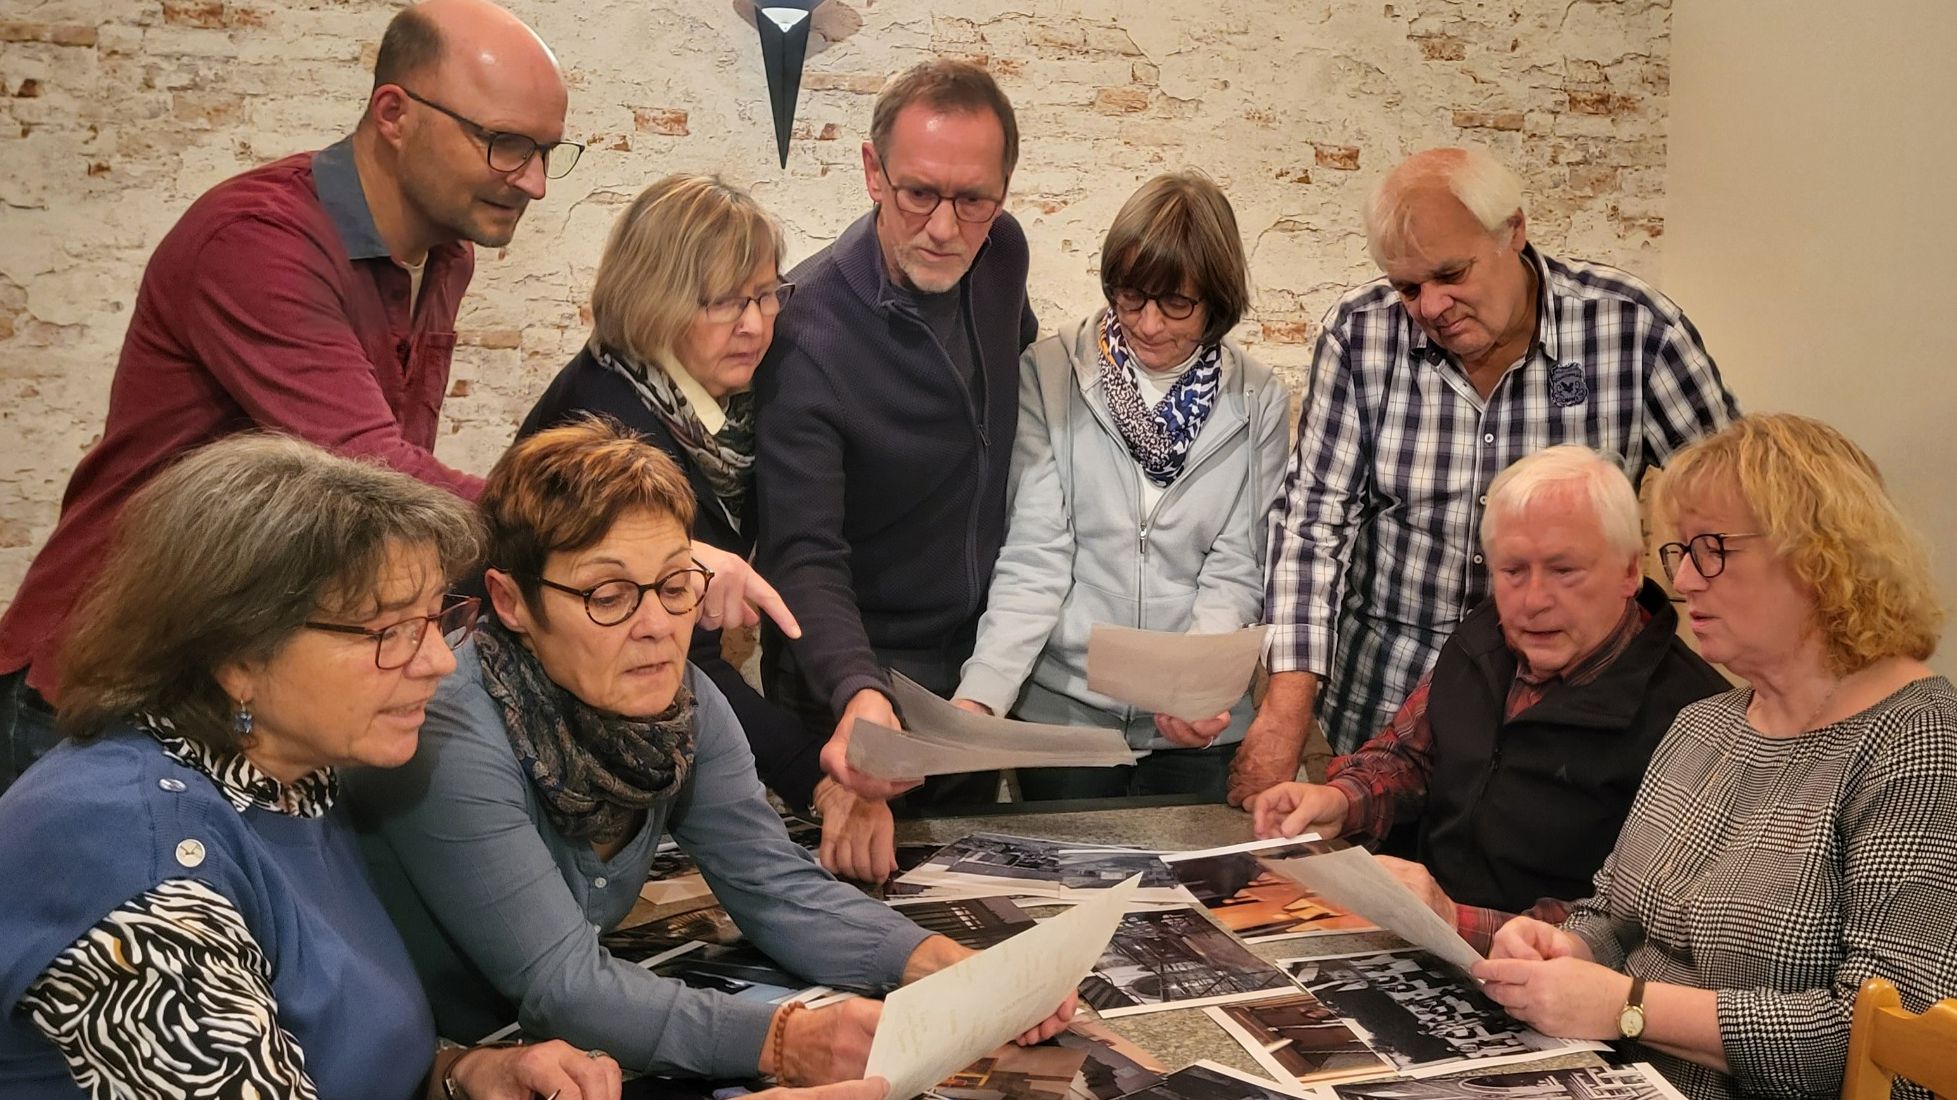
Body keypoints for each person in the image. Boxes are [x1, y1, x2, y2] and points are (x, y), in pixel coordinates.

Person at [347, 420, 1073, 1081]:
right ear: (510, 603)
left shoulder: (683, 700)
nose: (657, 625)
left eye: (673, 584)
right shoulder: (445, 730)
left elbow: (774, 886)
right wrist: (788, 1040)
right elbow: (562, 984)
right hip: (428, 1067)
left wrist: (941, 965)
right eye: (608, 595)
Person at [0, 0, 572, 787]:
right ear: (395, 113)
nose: (534, 182)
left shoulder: (445, 254)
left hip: (252, 676)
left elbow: (382, 505)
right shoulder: (255, 239)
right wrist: (589, 528)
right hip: (113, 679)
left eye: (545, 151)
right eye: (505, 143)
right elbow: (370, 469)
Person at [0, 435, 621, 1100]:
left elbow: (326, 1050)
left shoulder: (289, 780)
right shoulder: (131, 861)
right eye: (388, 632)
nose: (439, 662)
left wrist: (460, 1073)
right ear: (237, 652)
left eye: (434, 620)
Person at [1231, 145, 1740, 804]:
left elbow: (1732, 508)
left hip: (1573, 727)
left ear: (1514, 232)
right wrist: (1282, 712)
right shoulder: (1358, 335)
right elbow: (1312, 527)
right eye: (1407, 287)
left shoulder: (1634, 328)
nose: (1430, 306)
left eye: (1450, 274)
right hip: (1387, 714)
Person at [1473, 414, 1957, 1100]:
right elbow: (1613, 911)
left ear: (1818, 556)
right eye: (1678, 553)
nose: (1685, 582)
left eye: (1710, 549)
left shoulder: (1918, 744)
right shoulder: (1706, 723)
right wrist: (1566, 949)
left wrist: (1623, 1004)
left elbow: (1896, 1049)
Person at [516, 175, 884, 878]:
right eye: (722, 301)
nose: (754, 323)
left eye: (765, 293)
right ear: (652, 296)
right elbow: (686, 662)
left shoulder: (721, 413)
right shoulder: (612, 428)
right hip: (555, 767)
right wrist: (819, 779)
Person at [1248, 445, 1729, 951]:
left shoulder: (1692, 718)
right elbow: (1410, 756)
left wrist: (1453, 918)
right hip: (1418, 943)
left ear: (1630, 572)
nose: (1533, 600)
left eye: (1565, 570)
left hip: (1554, 987)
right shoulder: (1486, 635)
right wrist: (1342, 801)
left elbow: (1632, 927)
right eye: (1513, 571)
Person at [754, 59, 1036, 820]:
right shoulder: (806, 330)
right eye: (918, 194)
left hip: (973, 679)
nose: (945, 229)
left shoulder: (1000, 252)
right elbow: (801, 551)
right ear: (873, 172)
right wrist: (856, 692)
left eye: (973, 199)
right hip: (851, 678)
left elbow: (1014, 374)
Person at [949, 171, 1289, 801]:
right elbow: (1035, 554)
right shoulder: (1051, 373)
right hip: (1065, 720)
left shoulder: (1258, 399)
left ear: (1218, 299)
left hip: (1196, 732)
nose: (1149, 324)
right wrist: (983, 695)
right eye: (1130, 298)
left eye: (1176, 305)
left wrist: (1191, 689)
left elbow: (1239, 564)